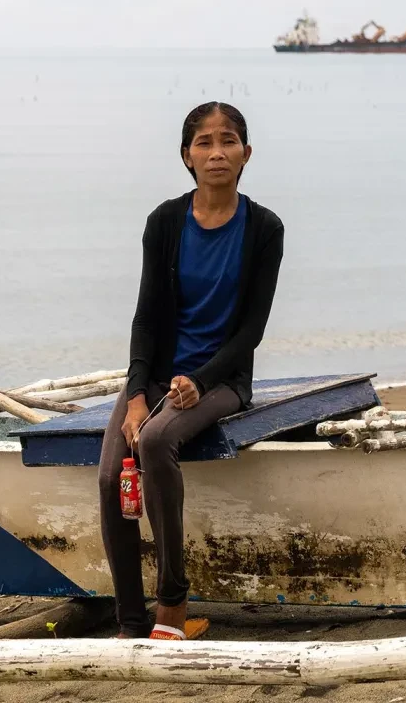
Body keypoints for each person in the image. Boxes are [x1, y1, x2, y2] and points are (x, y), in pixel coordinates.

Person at [97, 101, 284, 641]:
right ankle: (131, 625)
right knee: (111, 476)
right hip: (155, 376)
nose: (216, 152)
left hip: (222, 381)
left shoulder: (264, 228)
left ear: (246, 154)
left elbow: (251, 332)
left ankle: (172, 608)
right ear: (186, 156)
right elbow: (146, 316)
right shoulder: (165, 222)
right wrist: (136, 393)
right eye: (204, 142)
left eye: (228, 141)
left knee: (155, 443)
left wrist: (200, 381)